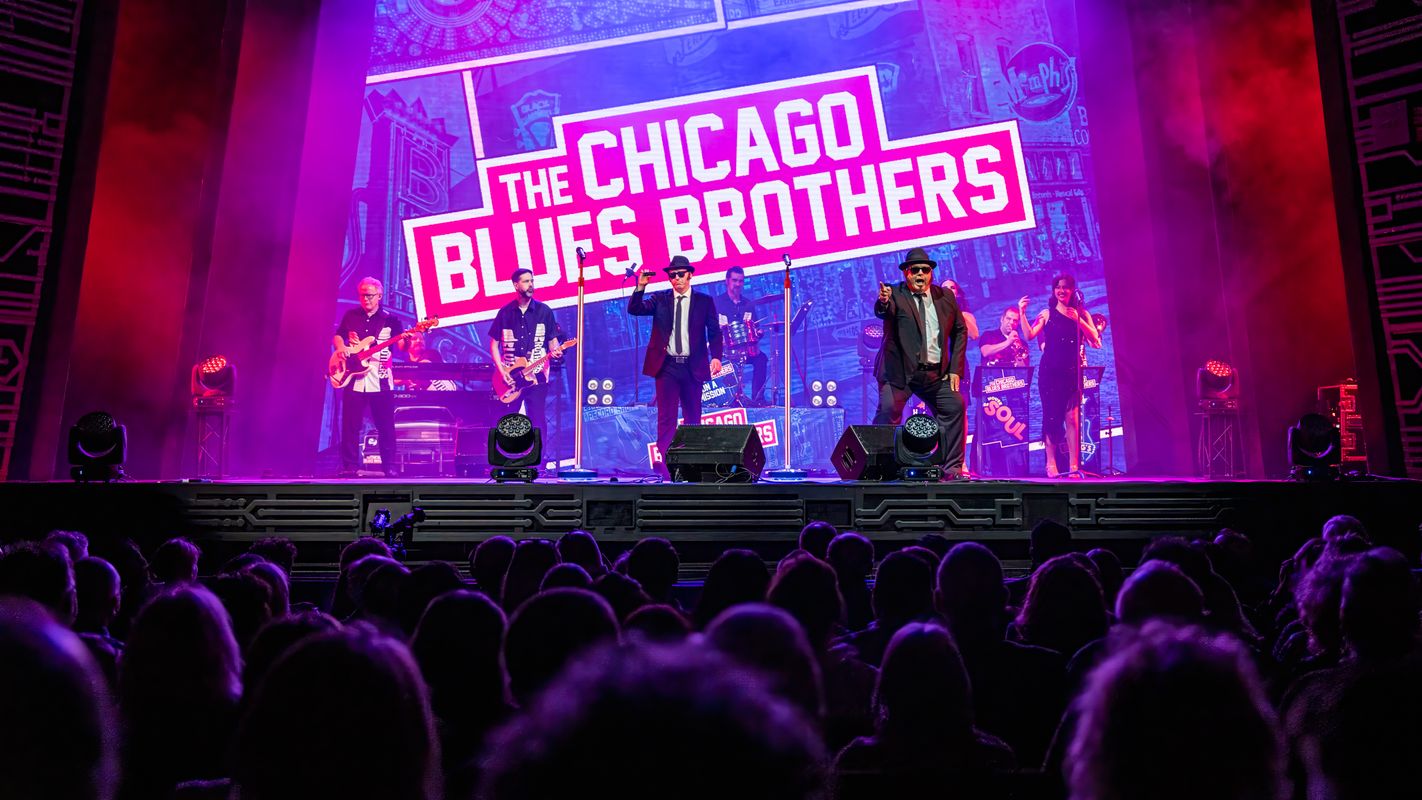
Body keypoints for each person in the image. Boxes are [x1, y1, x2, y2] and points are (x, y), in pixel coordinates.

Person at [872, 247, 968, 479]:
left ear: (931, 273)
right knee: (888, 410)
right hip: (900, 373)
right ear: (906, 272)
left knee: (954, 406)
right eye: (915, 270)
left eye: (925, 270)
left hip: (933, 375)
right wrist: (883, 302)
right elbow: (885, 310)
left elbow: (960, 330)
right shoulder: (895, 294)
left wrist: (955, 369)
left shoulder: (945, 297)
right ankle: (883, 468)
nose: (920, 275)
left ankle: (952, 468)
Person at [629, 255, 723, 476]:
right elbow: (635, 309)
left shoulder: (704, 301)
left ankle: (691, 461)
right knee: (666, 416)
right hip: (667, 366)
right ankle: (667, 463)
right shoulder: (660, 299)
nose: (677, 279)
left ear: (690, 275)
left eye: (681, 274)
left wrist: (717, 356)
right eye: (672, 275)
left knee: (693, 415)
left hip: (693, 366)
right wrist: (640, 286)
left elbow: (715, 331)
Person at [1024, 273, 1101, 477]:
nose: (1062, 291)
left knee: (1073, 419)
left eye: (1066, 287)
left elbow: (1096, 340)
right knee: (1051, 417)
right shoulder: (1046, 314)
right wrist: (1022, 314)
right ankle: (1051, 464)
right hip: (1049, 372)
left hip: (1071, 372)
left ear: (1072, 290)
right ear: (1053, 290)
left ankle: (1074, 466)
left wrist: (1079, 321)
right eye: (1058, 287)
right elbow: (1030, 335)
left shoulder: (1082, 313)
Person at [333, 276, 409, 478]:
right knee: (350, 424)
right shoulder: (351, 315)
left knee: (385, 425)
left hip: (380, 378)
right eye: (362, 295)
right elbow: (338, 335)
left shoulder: (391, 319)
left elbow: (401, 348)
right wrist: (340, 347)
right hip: (354, 377)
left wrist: (407, 341)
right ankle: (349, 466)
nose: (365, 299)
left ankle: (389, 466)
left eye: (369, 295)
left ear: (379, 296)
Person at [488, 268, 566, 435]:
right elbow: (494, 345)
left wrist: (556, 350)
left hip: (537, 376)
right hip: (511, 377)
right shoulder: (505, 312)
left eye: (532, 281)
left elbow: (552, 341)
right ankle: (509, 456)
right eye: (526, 281)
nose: (531, 285)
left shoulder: (544, 311)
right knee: (508, 421)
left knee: (537, 419)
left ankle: (539, 460)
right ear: (516, 285)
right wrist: (502, 372)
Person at [715, 266, 768, 404]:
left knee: (761, 359)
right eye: (734, 280)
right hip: (725, 352)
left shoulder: (748, 304)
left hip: (745, 350)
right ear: (727, 281)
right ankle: (731, 400)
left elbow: (755, 325)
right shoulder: (716, 303)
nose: (738, 284)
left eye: (741, 281)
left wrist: (758, 333)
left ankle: (758, 398)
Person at [978, 298, 1033, 367]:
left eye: (1015, 321)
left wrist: (1018, 352)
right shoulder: (989, 335)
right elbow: (985, 352)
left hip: (1013, 377)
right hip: (991, 376)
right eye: (1008, 319)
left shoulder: (1022, 343)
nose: (1011, 322)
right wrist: (1008, 342)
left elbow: (1024, 369)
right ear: (1002, 319)